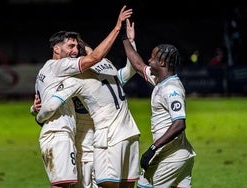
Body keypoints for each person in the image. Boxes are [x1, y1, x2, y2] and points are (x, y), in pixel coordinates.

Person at [31, 6, 133, 188]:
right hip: (61, 135)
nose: (75, 51)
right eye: (70, 46)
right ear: (56, 49)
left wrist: (35, 111)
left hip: (74, 138)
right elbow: (95, 57)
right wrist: (118, 29)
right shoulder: (61, 67)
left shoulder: (46, 71)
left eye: (77, 47)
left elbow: (40, 103)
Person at [121, 19, 196, 187]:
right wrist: (125, 39)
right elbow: (138, 64)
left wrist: (152, 149)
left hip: (170, 157)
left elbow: (179, 124)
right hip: (178, 154)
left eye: (153, 57)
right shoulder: (160, 80)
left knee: (144, 185)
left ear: (162, 63)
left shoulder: (171, 89)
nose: (149, 60)